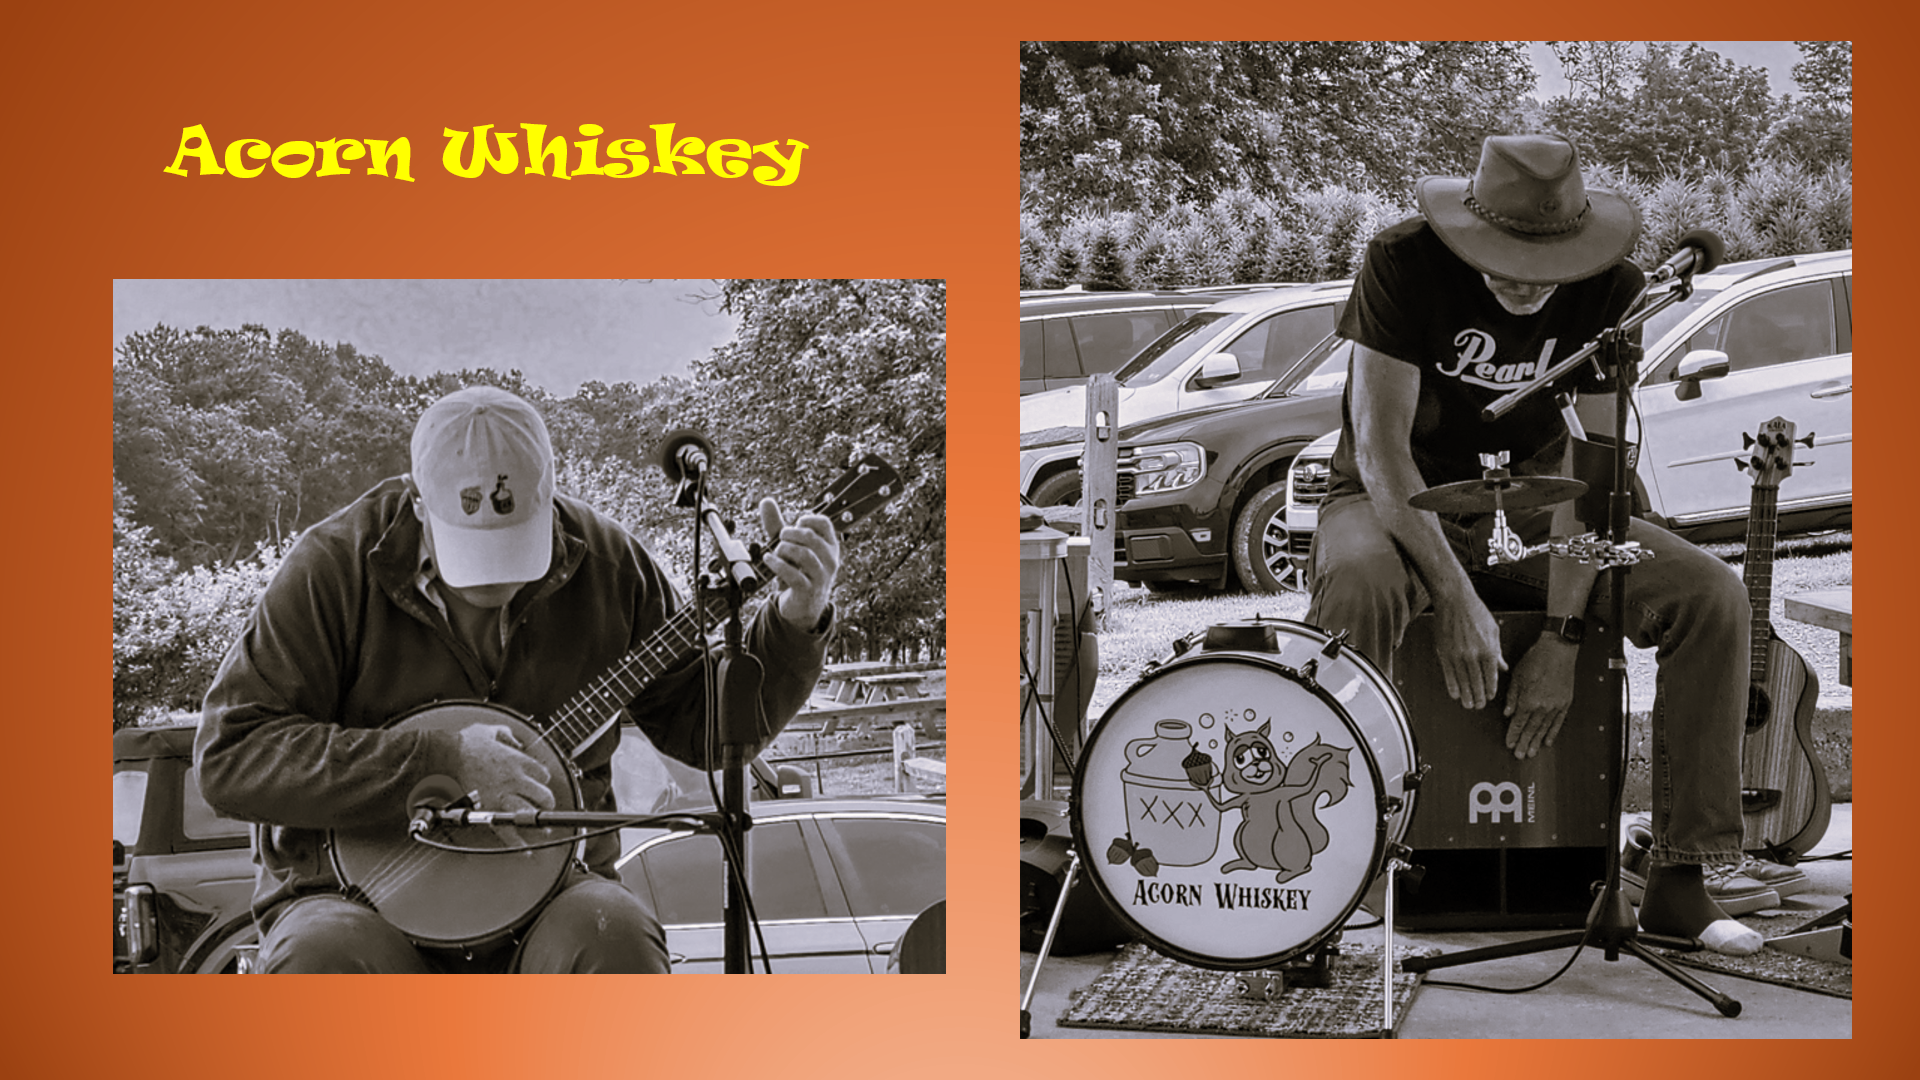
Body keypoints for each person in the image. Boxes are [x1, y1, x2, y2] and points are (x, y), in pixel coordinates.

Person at [1304, 134, 1789, 956]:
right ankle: (1338, 861)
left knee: (1710, 595)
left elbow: (1588, 475)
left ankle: (1680, 878)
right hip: (1391, 500)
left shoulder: (1613, 291)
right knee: (1360, 585)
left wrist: (1563, 639)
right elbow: (1381, 451)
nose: (1523, 282)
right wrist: (1456, 597)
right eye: (1501, 260)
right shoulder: (1401, 262)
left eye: (1542, 265)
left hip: (1534, 502)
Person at [195, 385, 840, 972]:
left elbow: (706, 730)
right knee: (320, 954)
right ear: (417, 502)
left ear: (550, 495)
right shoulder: (332, 568)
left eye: (515, 545)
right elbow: (231, 757)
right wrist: (438, 760)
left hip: (551, 891)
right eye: (471, 552)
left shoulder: (610, 563)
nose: (497, 579)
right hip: (353, 897)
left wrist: (793, 624)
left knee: (612, 931)